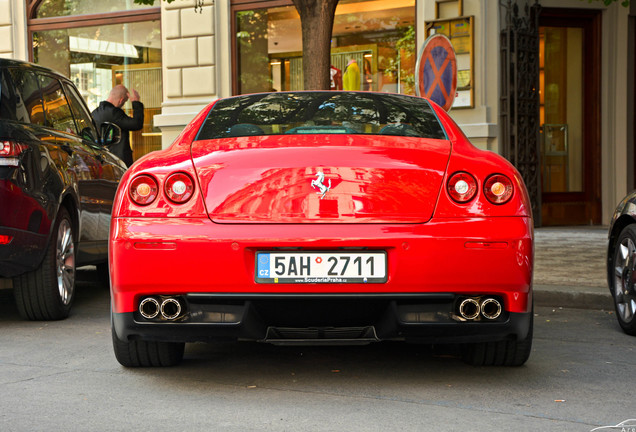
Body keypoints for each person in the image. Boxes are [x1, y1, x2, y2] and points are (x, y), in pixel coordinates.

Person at [92, 85, 144, 167]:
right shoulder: (114, 113)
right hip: (118, 161)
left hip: (102, 159)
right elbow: (136, 124)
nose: (123, 105)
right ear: (121, 100)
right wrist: (136, 102)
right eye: (124, 102)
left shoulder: (95, 113)